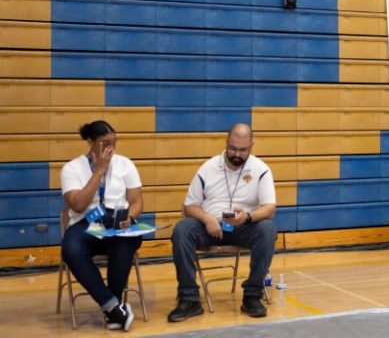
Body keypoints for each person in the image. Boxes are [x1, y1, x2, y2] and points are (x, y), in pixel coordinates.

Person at [167, 123, 277, 322]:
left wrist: (247, 217)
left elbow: (269, 208)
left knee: (267, 229)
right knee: (182, 229)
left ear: (251, 146)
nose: (237, 154)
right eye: (233, 148)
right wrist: (207, 218)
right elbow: (189, 206)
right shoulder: (208, 168)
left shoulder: (261, 170)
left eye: (243, 150)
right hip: (209, 227)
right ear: (226, 142)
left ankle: (252, 295)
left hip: (243, 227)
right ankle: (189, 299)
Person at [60, 120, 143, 331]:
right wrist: (99, 171)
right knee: (70, 248)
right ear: (90, 142)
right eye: (105, 143)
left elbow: (136, 202)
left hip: (116, 221)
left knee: (125, 242)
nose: (110, 148)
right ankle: (113, 307)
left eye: (113, 142)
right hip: (86, 222)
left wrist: (130, 217)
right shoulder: (71, 168)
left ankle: (112, 309)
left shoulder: (125, 164)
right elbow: (78, 205)